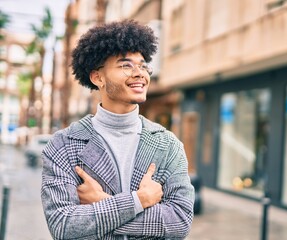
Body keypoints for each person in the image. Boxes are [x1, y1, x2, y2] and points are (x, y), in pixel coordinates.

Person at [41, 19, 195, 240]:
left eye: (143, 65)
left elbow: (179, 222)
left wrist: (103, 204)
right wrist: (139, 200)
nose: (139, 73)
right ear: (98, 77)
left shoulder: (167, 144)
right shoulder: (63, 144)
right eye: (126, 65)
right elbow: (63, 225)